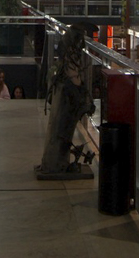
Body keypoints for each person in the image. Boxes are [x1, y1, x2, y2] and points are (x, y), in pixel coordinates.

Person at [36, 24, 95, 177]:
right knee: (61, 130)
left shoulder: (67, 58)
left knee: (61, 130)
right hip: (66, 97)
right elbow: (74, 78)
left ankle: (55, 162)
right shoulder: (69, 62)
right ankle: (55, 163)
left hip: (65, 94)